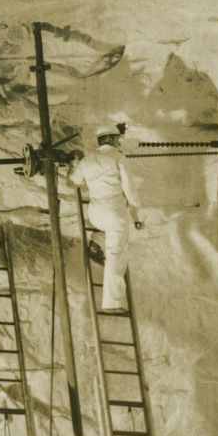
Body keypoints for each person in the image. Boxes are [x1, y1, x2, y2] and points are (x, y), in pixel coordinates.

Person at [68, 123, 142, 315]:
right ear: (110, 139)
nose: (119, 143)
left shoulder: (88, 160)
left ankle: (96, 242)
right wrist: (136, 216)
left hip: (96, 214)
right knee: (116, 255)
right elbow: (130, 190)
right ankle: (111, 302)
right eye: (118, 139)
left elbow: (72, 182)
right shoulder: (118, 157)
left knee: (106, 233)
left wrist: (73, 164)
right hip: (114, 214)